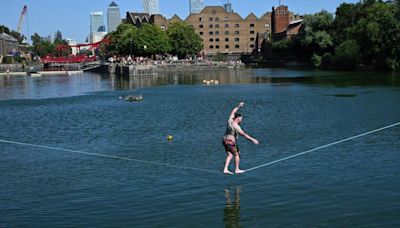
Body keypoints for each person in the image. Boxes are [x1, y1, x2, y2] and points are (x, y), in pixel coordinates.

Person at [222, 102, 259, 174]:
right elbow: (244, 134)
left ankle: (225, 169)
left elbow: (233, 111)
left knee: (230, 154)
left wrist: (238, 106)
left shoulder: (230, 120)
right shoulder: (236, 126)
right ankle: (237, 169)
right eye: (241, 119)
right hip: (230, 141)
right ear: (238, 119)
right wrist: (253, 140)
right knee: (236, 154)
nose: (241, 120)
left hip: (224, 140)